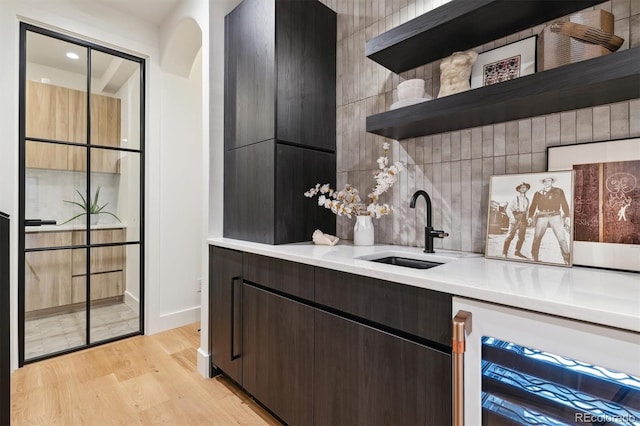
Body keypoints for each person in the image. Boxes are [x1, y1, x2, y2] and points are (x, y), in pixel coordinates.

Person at [528, 176, 571, 264]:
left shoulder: (559, 191)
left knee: (561, 238)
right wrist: (530, 216)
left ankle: (567, 259)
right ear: (543, 182)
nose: (547, 182)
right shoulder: (538, 193)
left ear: (552, 181)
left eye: (549, 180)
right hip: (541, 216)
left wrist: (567, 215)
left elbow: (564, 203)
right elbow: (533, 205)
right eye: (545, 181)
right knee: (537, 237)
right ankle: (534, 256)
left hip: (555, 215)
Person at [503, 182, 530, 258]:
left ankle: (517, 251)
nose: (523, 189)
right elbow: (508, 209)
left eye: (524, 187)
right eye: (521, 187)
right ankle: (504, 252)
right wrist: (512, 218)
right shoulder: (515, 198)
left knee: (521, 236)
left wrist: (527, 218)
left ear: (527, 189)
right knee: (510, 235)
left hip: (523, 218)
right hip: (515, 217)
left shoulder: (527, 199)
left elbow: (527, 210)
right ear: (518, 189)